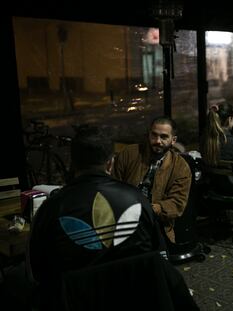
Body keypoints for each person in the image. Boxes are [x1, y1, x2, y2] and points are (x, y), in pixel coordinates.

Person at [28, 126, 167, 309]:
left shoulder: (52, 207)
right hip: (135, 298)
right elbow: (157, 256)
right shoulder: (136, 199)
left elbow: (38, 271)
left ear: (73, 163)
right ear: (110, 163)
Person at [112, 116, 192, 244]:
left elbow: (177, 204)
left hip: (156, 223)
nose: (157, 141)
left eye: (164, 137)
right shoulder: (130, 153)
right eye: (154, 135)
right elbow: (113, 186)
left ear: (173, 140)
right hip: (123, 217)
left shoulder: (180, 167)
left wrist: (150, 209)